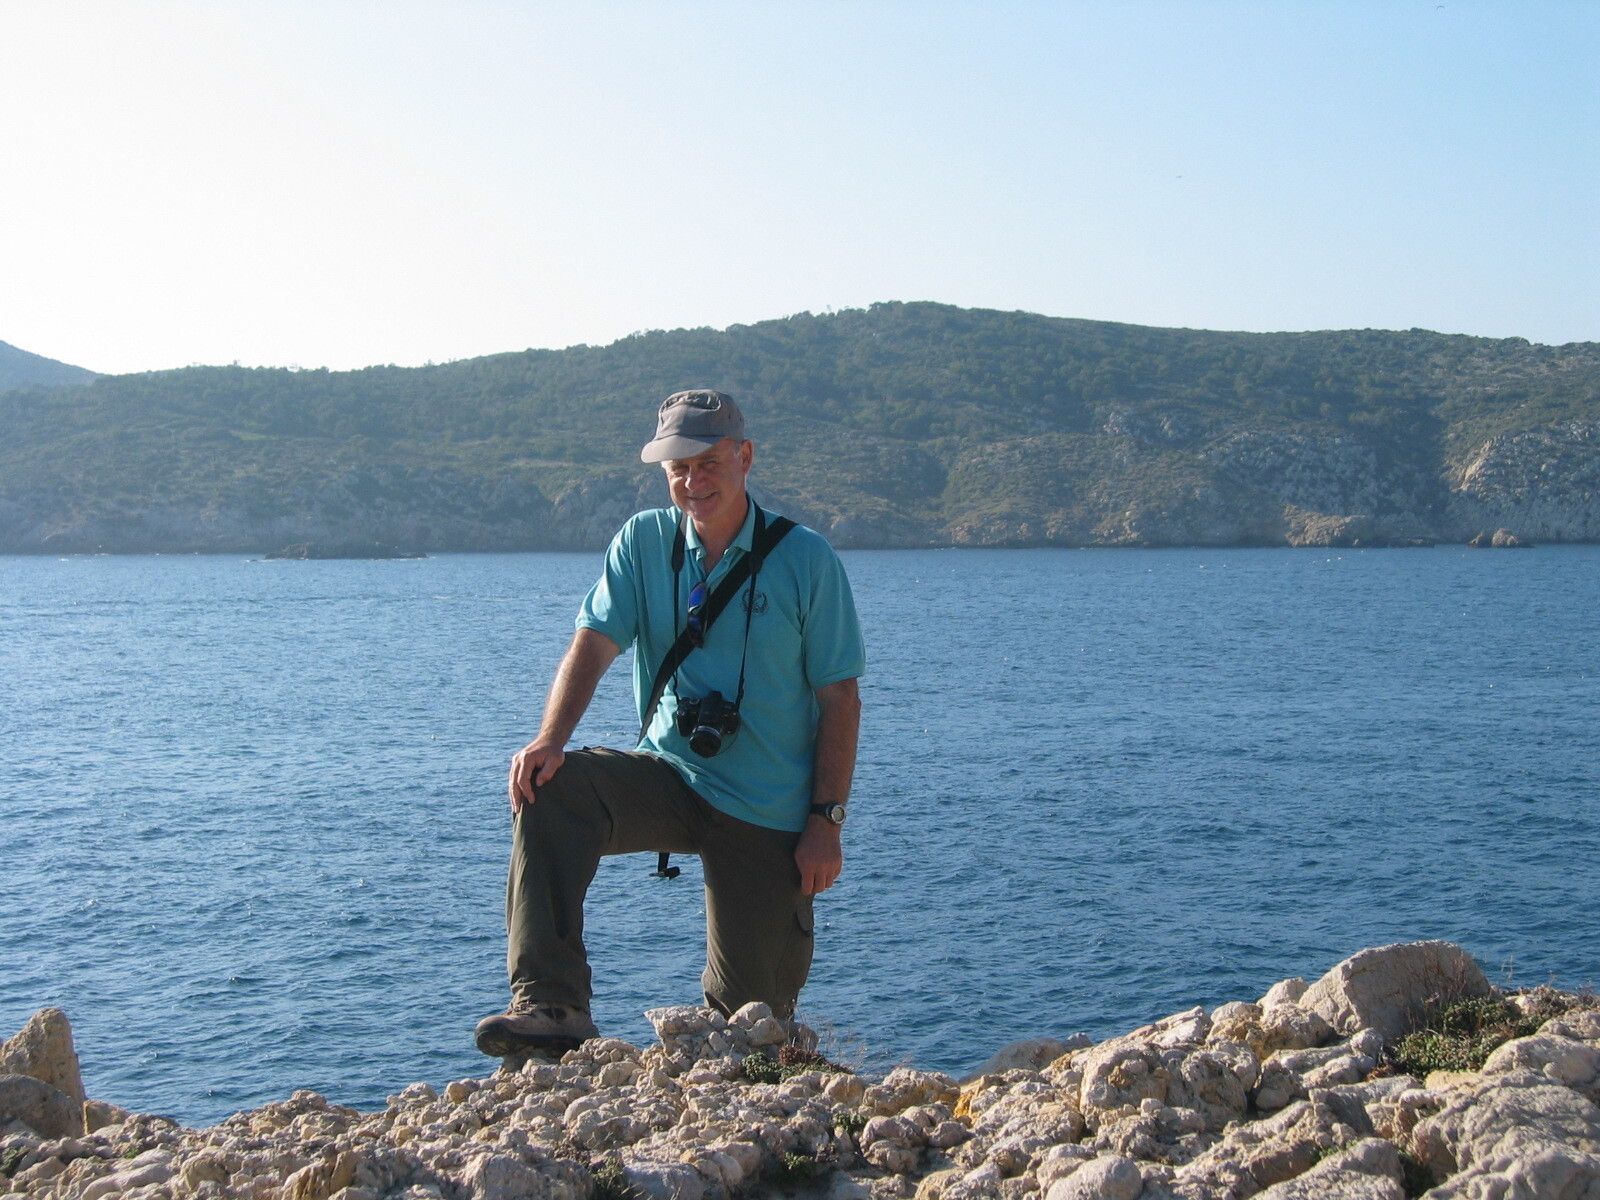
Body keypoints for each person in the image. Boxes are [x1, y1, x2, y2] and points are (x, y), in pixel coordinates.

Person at [475, 389, 865, 1056]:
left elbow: (840, 700)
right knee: (551, 786)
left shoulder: (805, 560)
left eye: (709, 462)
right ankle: (552, 1005)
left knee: (750, 1030)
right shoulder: (645, 541)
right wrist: (549, 741)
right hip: (671, 776)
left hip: (767, 808)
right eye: (678, 468)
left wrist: (824, 823)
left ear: (745, 457)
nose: (693, 481)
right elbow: (592, 644)